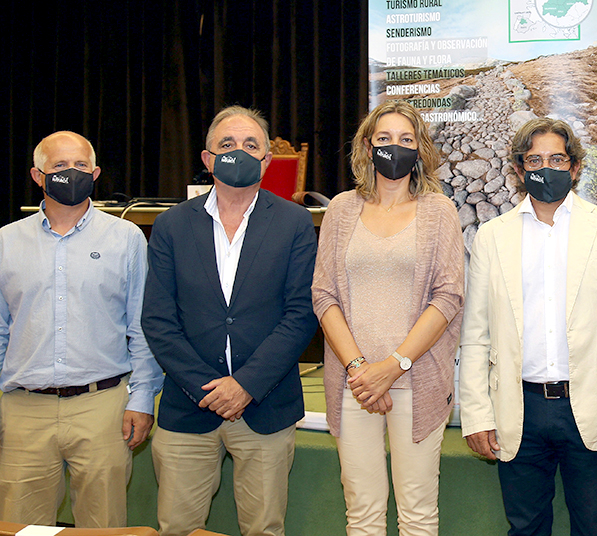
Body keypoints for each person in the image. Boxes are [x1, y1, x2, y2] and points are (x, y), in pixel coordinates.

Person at [460, 117, 597, 536]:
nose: (546, 168)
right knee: (525, 528)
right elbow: (476, 334)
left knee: (594, 528)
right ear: (519, 170)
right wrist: (475, 414)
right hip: (518, 409)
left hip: (590, 408)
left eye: (557, 159)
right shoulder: (492, 236)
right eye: (535, 160)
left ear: (576, 167)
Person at [142, 106, 318, 536]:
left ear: (266, 160)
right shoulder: (170, 225)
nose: (238, 152)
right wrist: (208, 388)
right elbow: (158, 320)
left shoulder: (296, 223)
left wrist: (245, 385)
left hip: (265, 405)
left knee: (263, 529)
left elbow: (301, 313)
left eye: (250, 145)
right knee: (177, 528)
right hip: (189, 407)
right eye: (227, 145)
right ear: (207, 159)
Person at [311, 99, 463, 536]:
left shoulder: (439, 211)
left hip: (416, 380)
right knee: (362, 512)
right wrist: (362, 370)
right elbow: (324, 295)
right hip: (352, 383)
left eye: (405, 139)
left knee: (416, 515)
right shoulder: (341, 209)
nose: (393, 147)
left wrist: (393, 366)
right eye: (383, 139)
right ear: (366, 145)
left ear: (420, 149)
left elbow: (448, 297)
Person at [0, 131, 163, 528]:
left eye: (80, 166)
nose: (70, 173)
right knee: (21, 528)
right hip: (24, 408)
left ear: (96, 173)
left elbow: (142, 325)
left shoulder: (125, 238)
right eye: (59, 166)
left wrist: (142, 398)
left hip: (102, 406)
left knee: (104, 526)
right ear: (38, 176)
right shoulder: (7, 240)